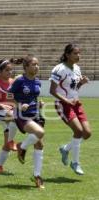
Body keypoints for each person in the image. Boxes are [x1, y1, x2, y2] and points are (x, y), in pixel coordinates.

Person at [49, 43, 91, 175]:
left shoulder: (77, 68)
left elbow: (74, 89)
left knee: (87, 133)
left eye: (79, 53)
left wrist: (81, 84)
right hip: (63, 104)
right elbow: (52, 90)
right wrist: (66, 101)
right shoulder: (59, 69)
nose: (78, 56)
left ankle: (66, 149)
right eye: (75, 53)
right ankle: (75, 163)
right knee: (78, 131)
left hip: (76, 103)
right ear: (67, 55)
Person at [9, 55, 45, 189]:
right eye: (33, 64)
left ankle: (37, 176)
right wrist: (19, 105)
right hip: (22, 116)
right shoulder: (19, 80)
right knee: (40, 132)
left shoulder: (38, 81)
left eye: (37, 64)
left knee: (39, 145)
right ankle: (22, 147)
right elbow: (9, 95)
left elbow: (33, 97)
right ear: (26, 67)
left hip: (35, 114)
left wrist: (39, 103)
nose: (36, 67)